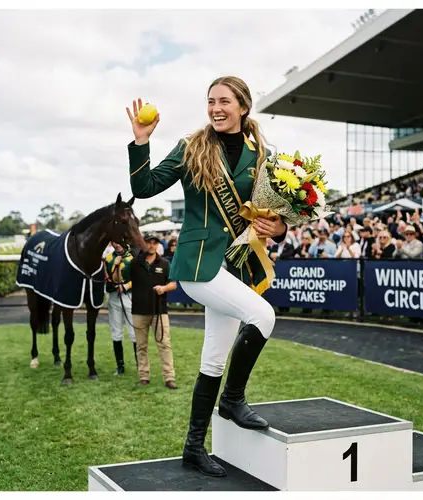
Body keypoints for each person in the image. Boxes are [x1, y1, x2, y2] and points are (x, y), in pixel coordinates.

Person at [126, 76, 286, 478]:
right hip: (197, 264)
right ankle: (233, 401)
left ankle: (193, 448)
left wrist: (279, 227)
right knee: (263, 316)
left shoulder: (262, 152)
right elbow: (144, 187)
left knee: (213, 359)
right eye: (210, 101)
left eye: (224, 101)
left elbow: (273, 213)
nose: (215, 108)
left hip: (235, 265)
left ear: (243, 107)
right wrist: (141, 141)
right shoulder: (192, 146)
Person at [120, 233, 179, 389]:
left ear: (157, 245)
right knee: (141, 346)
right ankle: (144, 376)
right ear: (144, 244)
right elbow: (122, 277)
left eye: (154, 243)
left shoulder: (165, 263)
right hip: (139, 310)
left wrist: (164, 288)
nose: (151, 245)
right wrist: (123, 259)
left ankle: (169, 378)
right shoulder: (134, 263)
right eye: (149, 242)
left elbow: (173, 284)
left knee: (164, 344)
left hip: (159, 310)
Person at [104, 241, 138, 375]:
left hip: (129, 296)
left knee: (134, 332)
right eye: (114, 241)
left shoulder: (132, 258)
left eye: (119, 241)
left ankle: (139, 365)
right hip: (114, 297)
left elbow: (139, 278)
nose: (117, 244)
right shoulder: (107, 258)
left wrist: (126, 286)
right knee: (116, 331)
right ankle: (120, 366)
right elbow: (106, 278)